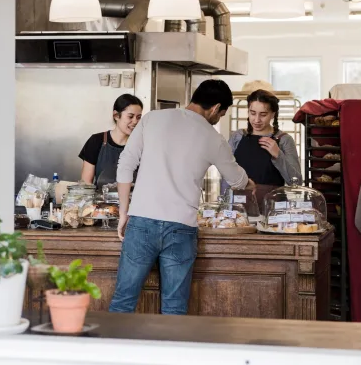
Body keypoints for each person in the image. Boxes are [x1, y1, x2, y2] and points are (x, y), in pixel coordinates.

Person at [109, 80, 255, 315]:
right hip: (181, 226)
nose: (218, 118)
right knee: (174, 306)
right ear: (216, 108)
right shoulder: (213, 138)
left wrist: (124, 212)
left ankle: (111, 341)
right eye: (221, 114)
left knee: (123, 300)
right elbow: (237, 180)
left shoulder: (152, 119)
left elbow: (125, 165)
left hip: (142, 220)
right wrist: (249, 183)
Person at [226, 90, 303, 214]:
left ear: (273, 114)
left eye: (263, 114)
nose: (257, 120)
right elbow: (226, 174)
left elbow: (296, 181)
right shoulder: (238, 136)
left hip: (273, 208)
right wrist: (224, 205)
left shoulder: (284, 140)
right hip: (239, 206)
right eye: (252, 113)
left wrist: (278, 155)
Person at [78, 94, 144, 187]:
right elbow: (86, 183)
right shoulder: (96, 141)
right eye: (130, 116)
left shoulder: (141, 145)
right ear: (116, 115)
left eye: (138, 117)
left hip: (133, 196)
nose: (135, 122)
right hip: (101, 196)